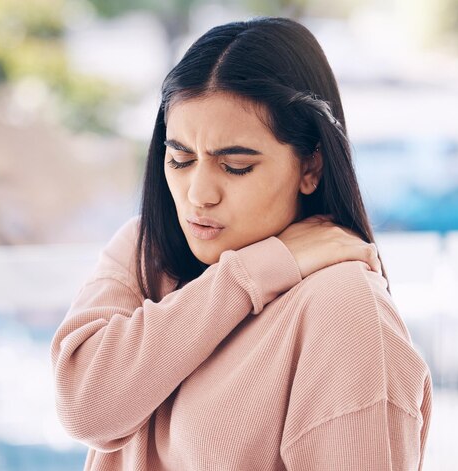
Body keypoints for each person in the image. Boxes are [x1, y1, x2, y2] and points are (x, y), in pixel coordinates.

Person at [51, 17, 432, 470]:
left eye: (235, 166)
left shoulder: (344, 309)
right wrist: (257, 271)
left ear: (311, 166)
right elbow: (85, 407)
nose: (198, 195)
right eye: (180, 160)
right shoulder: (144, 249)